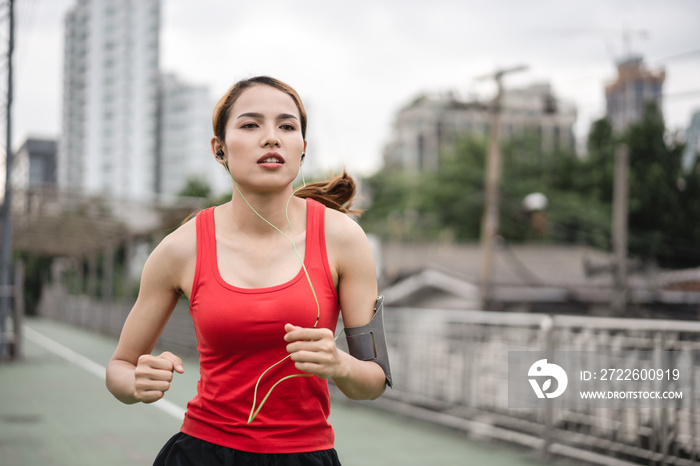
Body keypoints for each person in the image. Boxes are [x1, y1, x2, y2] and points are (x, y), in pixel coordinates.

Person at [106, 76, 388, 465]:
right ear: (219, 149)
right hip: (201, 454)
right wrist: (135, 383)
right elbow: (119, 366)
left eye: (286, 126)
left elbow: (374, 381)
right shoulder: (180, 248)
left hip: (305, 456)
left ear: (302, 149)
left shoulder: (344, 239)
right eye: (250, 124)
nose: (271, 138)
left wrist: (340, 364)